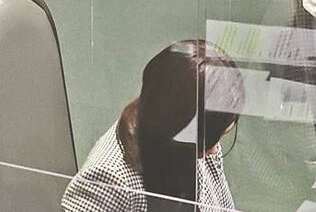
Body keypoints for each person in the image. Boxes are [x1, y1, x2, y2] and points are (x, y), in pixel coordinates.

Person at [62, 40, 241, 212]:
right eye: (211, 139)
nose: (215, 150)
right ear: (179, 127)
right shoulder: (110, 178)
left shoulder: (194, 138)